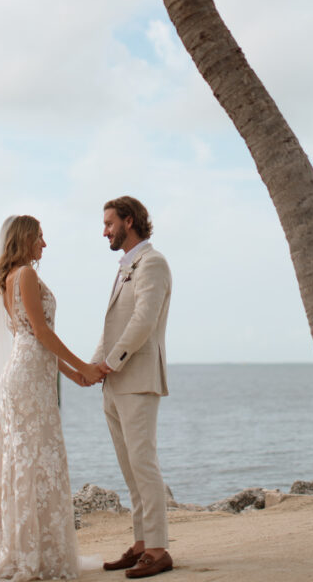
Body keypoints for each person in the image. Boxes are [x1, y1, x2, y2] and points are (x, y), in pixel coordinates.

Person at [0, 214, 103, 581]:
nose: (45, 243)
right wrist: (84, 365)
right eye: (40, 236)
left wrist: (73, 376)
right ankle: (26, 553)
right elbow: (40, 333)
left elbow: (37, 342)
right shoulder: (24, 274)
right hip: (26, 378)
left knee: (32, 457)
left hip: (31, 373)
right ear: (25, 239)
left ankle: (36, 547)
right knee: (29, 459)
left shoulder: (13, 277)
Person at [92, 197, 173, 579]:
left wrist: (112, 362)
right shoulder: (125, 266)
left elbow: (143, 320)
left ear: (129, 220)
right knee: (130, 470)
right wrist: (94, 367)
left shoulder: (153, 263)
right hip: (114, 382)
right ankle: (141, 544)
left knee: (144, 465)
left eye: (109, 223)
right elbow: (112, 327)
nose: (104, 230)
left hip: (137, 379)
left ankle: (158, 550)